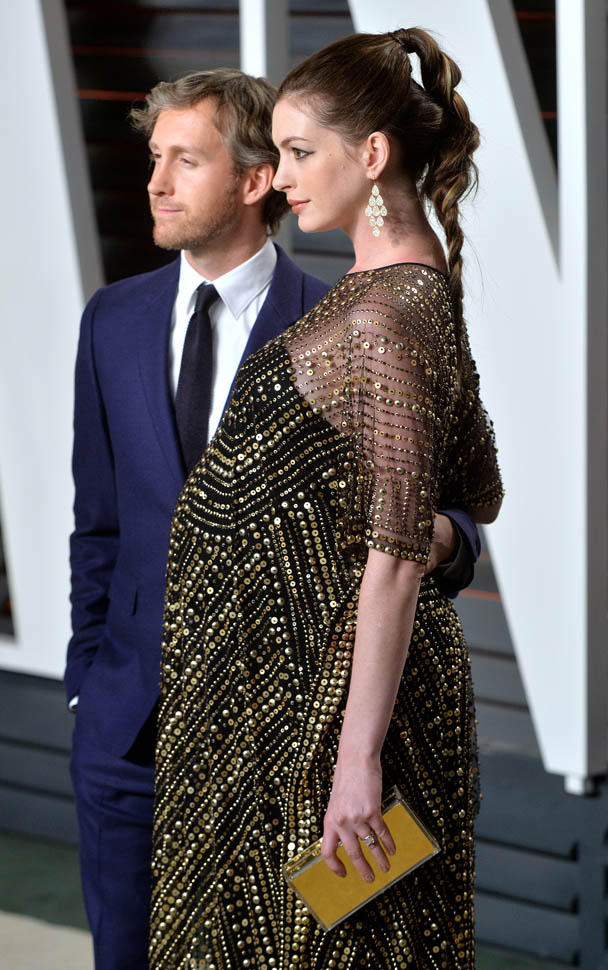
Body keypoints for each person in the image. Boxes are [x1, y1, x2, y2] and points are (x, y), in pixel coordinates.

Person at [65, 67, 477, 970]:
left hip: (282, 738)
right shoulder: (111, 320)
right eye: (153, 158)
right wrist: (87, 684)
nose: (156, 182)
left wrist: (434, 540)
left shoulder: (347, 316)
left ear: (256, 180)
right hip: (128, 730)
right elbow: (98, 523)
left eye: (185, 160)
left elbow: (440, 508)